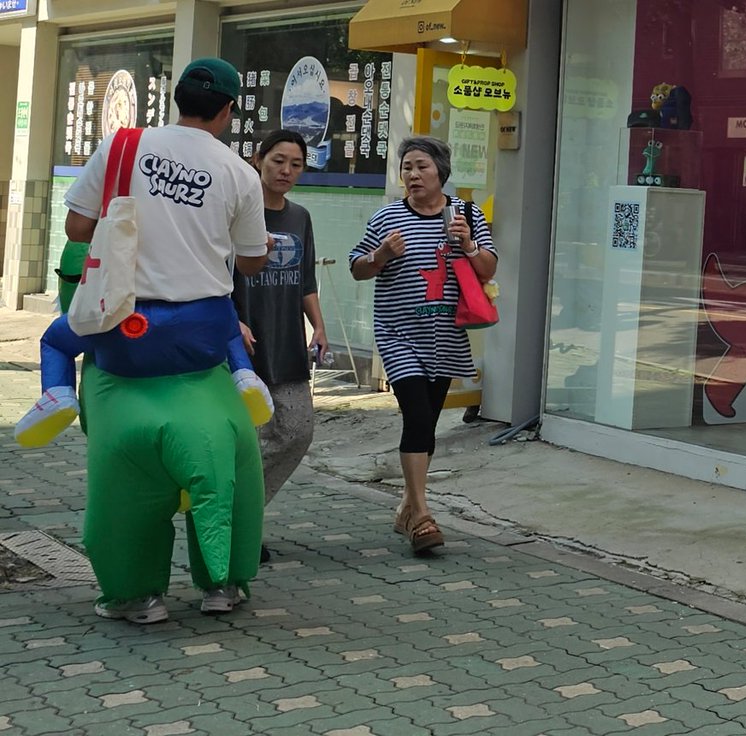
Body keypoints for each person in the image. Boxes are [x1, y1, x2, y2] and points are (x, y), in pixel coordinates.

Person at [59, 57, 270, 623]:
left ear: (175, 100)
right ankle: (223, 585)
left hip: (122, 345)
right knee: (231, 465)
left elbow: (77, 230)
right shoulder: (238, 174)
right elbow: (249, 262)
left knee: (121, 482)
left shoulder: (122, 146)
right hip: (200, 349)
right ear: (228, 110)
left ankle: (134, 595)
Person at [349, 136, 497, 554]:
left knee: (427, 422)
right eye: (407, 168)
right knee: (416, 416)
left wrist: (467, 244)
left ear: (441, 172)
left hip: (446, 336)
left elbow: (490, 266)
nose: (412, 175)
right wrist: (380, 255)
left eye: (421, 167)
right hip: (398, 335)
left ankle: (405, 508)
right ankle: (423, 516)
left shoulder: (466, 215)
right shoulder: (387, 218)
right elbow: (358, 268)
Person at [233, 129, 329, 563]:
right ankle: (239, 529)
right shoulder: (237, 210)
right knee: (248, 436)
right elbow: (213, 273)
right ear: (258, 160)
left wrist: (319, 327)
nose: (286, 171)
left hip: (287, 342)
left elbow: (305, 280)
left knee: (296, 430)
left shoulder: (300, 217)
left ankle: (240, 511)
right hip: (242, 346)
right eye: (278, 161)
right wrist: (228, 319)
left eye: (295, 164)